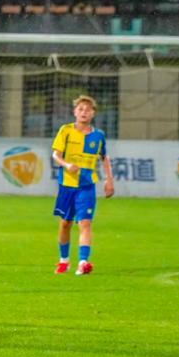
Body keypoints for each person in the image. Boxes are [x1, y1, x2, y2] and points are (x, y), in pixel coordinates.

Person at [51, 95, 114, 276]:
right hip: (67, 184)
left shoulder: (98, 135)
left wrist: (109, 180)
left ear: (93, 113)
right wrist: (67, 165)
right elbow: (56, 155)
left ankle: (83, 262)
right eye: (80, 109)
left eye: (87, 110)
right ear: (75, 112)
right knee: (65, 224)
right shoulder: (66, 130)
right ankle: (64, 260)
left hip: (87, 186)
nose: (84, 112)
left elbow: (104, 157)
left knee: (85, 223)